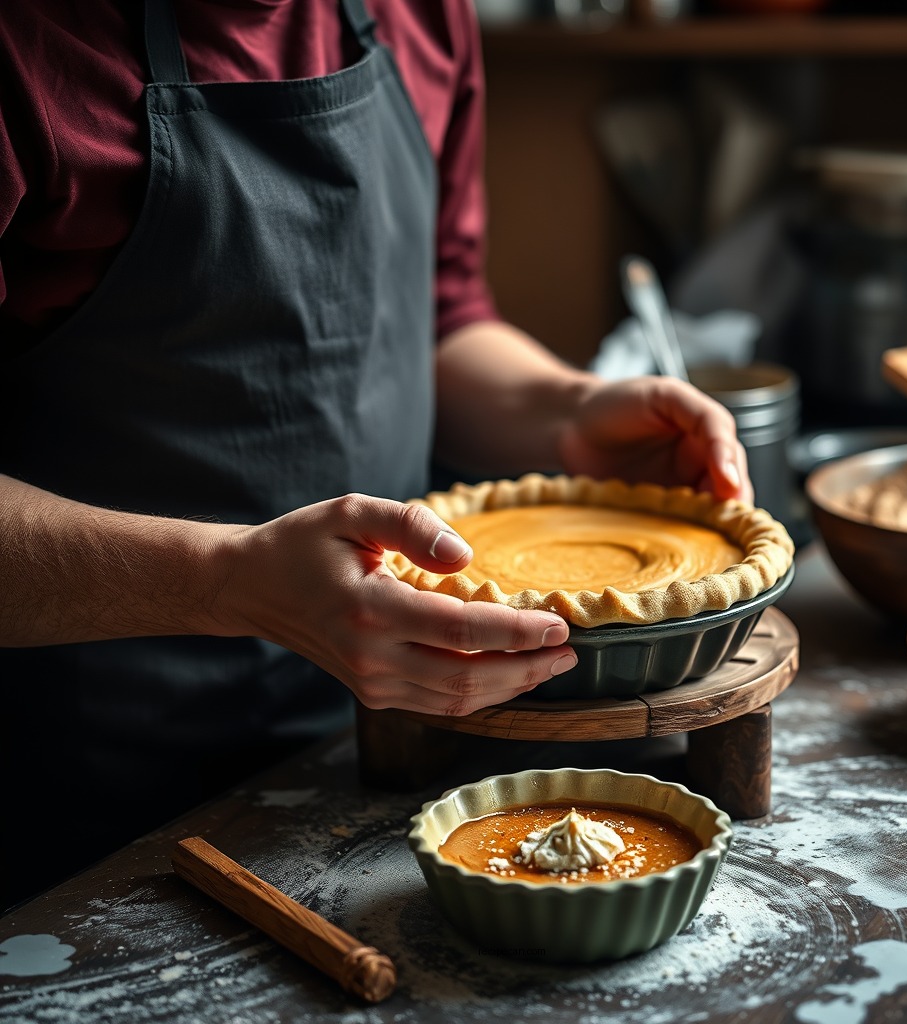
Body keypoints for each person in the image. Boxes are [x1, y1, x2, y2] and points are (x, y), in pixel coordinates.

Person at [0, 0, 752, 910]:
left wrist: (566, 414)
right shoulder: (29, 51)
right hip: (100, 803)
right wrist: (228, 581)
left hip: (412, 747)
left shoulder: (422, 14)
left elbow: (437, 315)